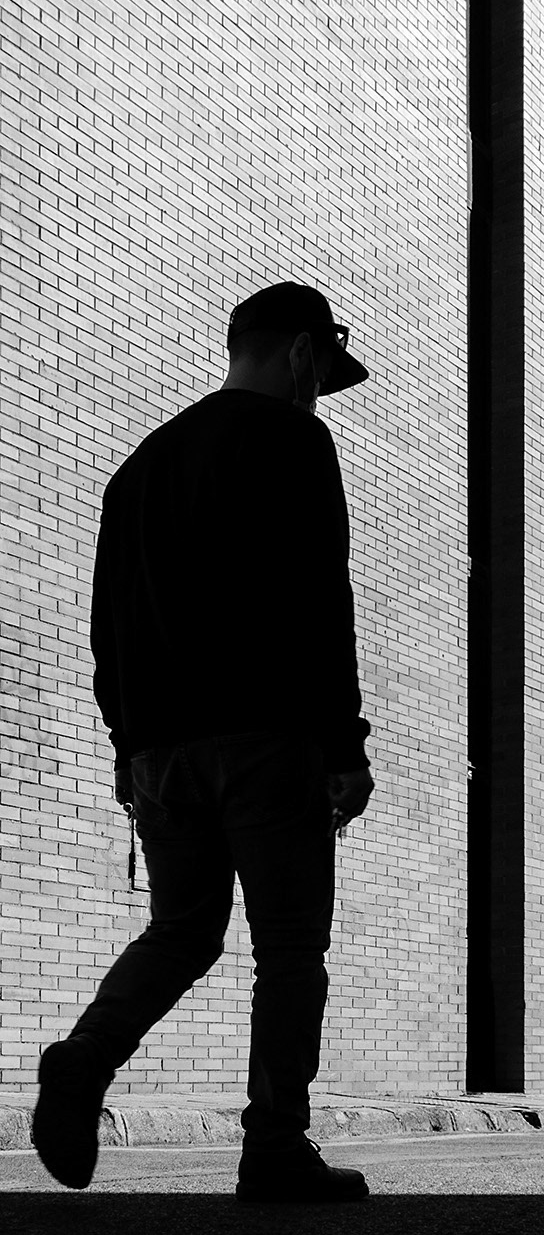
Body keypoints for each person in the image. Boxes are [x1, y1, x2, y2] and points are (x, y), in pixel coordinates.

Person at [31, 282, 377, 1203]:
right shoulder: (294, 440)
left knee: (182, 929)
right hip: (267, 741)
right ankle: (273, 1150)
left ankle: (84, 1060)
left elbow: (107, 628)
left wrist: (127, 747)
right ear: (302, 353)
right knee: (290, 951)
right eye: (320, 374)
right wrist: (345, 744)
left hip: (159, 753)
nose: (318, 395)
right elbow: (318, 599)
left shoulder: (139, 467)